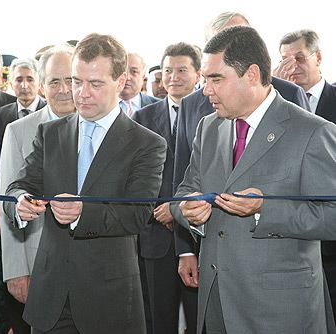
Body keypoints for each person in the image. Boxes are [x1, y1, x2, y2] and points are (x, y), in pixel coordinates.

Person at [172, 25, 336, 333]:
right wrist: (188, 211)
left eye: (215, 79)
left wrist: (264, 209)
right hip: (217, 303)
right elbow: (184, 191)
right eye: (205, 79)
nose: (206, 90)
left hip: (281, 310)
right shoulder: (209, 127)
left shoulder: (313, 132)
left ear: (251, 74)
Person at [4, 33, 166, 334]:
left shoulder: (147, 144)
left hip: (110, 301)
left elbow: (138, 214)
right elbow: (19, 186)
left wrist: (82, 213)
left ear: (120, 81)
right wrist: (21, 202)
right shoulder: (49, 133)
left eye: (95, 84)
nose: (81, 93)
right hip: (50, 297)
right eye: (77, 81)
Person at [0, 45, 77, 334]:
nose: (64, 89)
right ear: (42, 86)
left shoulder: (99, 128)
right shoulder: (19, 131)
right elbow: (8, 201)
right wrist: (16, 269)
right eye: (54, 81)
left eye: (70, 79)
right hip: (38, 263)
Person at [133, 42, 201, 334]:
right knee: (157, 319)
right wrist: (159, 209)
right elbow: (135, 177)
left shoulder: (215, 114)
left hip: (198, 235)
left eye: (182, 70)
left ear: (198, 74)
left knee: (201, 319)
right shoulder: (143, 117)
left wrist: (179, 210)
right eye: (167, 70)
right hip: (155, 234)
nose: (173, 77)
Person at [273, 28, 336, 321]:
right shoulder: (273, 102)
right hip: (291, 236)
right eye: (284, 60)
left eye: (299, 58)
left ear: (319, 57)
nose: (291, 66)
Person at [0, 58, 46, 150]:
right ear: (11, 84)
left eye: (30, 80)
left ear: (39, 83)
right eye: (19, 80)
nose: (24, 85)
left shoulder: (50, 111)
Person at [118, 53, 159, 118]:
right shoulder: (100, 105)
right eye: (122, 71)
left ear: (143, 78)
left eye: (134, 71)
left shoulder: (160, 107)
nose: (127, 77)